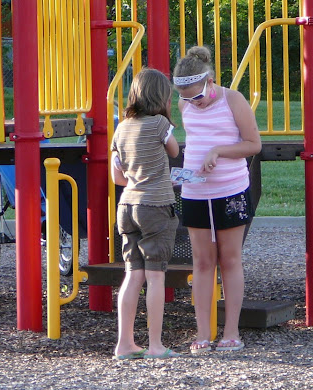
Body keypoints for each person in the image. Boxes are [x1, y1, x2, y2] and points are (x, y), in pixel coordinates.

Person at [173, 46, 262, 354]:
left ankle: (232, 332)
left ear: (209, 82)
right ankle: (202, 332)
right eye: (184, 98)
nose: (191, 103)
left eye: (196, 96)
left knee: (230, 259)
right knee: (201, 262)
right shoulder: (185, 106)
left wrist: (219, 152)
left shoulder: (232, 100)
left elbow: (253, 144)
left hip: (230, 190)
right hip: (195, 192)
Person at [110, 68, 180, 360]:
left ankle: (124, 344)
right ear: (161, 97)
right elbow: (174, 152)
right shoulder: (160, 124)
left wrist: (139, 179)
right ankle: (155, 345)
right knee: (155, 278)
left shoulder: (122, 127)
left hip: (127, 207)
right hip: (156, 207)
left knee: (132, 275)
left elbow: (117, 177)